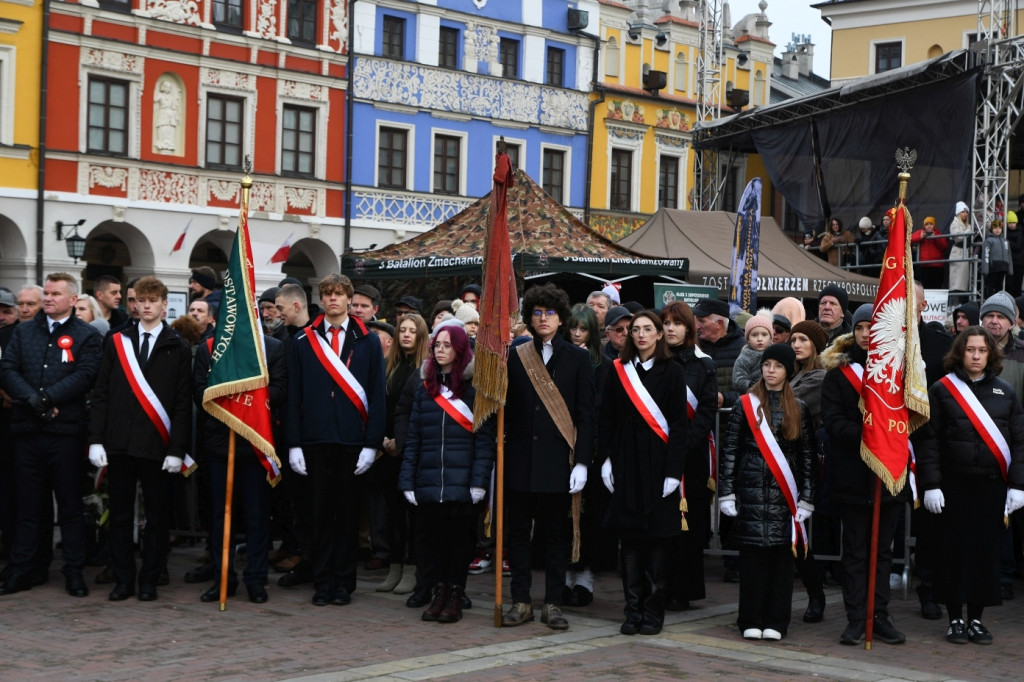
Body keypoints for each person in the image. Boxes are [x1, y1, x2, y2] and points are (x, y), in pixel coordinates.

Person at [88, 276, 192, 602]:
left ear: (164, 305)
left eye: (152, 300)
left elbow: (181, 403)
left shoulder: (178, 346)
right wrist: (95, 440)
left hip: (157, 447)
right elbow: (101, 393)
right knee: (119, 516)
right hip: (119, 443)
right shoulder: (116, 341)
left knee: (157, 519)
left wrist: (177, 449)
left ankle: (150, 578)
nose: (145, 306)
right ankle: (123, 579)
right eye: (139, 300)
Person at [918, 326, 1024, 644]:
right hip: (952, 486)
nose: (976, 355)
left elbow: (1019, 441)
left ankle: (976, 618)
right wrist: (931, 484)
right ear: (960, 353)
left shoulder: (1006, 392)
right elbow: (929, 442)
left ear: (990, 354)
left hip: (991, 487)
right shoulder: (941, 390)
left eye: (982, 350)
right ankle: (954, 619)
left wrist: (1018, 485)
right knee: (951, 553)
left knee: (984, 555)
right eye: (970, 350)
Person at [286, 273, 386, 607]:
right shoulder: (303, 340)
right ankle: (322, 580)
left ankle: (344, 582)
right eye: (327, 294)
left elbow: (376, 394)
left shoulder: (367, 340)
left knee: (346, 516)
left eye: (339, 294)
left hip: (351, 441)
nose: (333, 299)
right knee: (318, 515)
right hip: (314, 440)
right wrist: (294, 443)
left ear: (348, 299)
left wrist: (371, 444)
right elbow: (293, 395)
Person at [0, 273, 102, 598]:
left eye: (55, 293)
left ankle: (74, 572)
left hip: (66, 433)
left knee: (70, 506)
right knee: (29, 506)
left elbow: (86, 374)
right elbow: (8, 369)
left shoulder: (86, 336)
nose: (48, 298)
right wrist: (32, 400)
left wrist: (46, 399)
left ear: (73, 299)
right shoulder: (23, 331)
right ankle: (23, 570)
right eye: (46, 292)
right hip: (27, 432)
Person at [502, 283, 595, 631]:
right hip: (521, 460)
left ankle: (553, 603)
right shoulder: (515, 354)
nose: (543, 318)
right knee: (518, 536)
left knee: (557, 536)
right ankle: (521, 601)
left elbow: (587, 415)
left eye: (550, 312)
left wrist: (583, 462)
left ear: (561, 318)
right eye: (537, 313)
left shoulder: (579, 358)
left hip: (560, 462)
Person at [819, 304, 909, 645]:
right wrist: (870, 432)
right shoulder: (837, 374)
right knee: (856, 551)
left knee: (882, 552)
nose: (867, 334)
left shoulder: (896, 371)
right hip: (853, 475)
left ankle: (880, 615)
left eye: (873, 327)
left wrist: (887, 435)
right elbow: (833, 422)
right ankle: (857, 617)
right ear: (852, 332)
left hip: (888, 475)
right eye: (861, 328)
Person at [399, 320, 495, 624]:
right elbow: (414, 436)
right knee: (433, 542)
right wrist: (408, 480)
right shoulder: (424, 388)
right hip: (429, 480)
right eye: (436, 345)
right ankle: (438, 592)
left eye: (447, 345)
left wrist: (479, 481)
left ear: (460, 349)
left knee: (459, 543)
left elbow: (483, 439)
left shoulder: (473, 390)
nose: (440, 351)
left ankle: (455, 594)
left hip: (462, 483)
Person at [719, 343, 815, 641]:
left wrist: (808, 497)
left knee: (781, 564)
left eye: (778, 366)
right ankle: (749, 617)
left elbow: (807, 456)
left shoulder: (798, 408)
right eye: (767, 364)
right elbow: (731, 449)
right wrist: (726, 492)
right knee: (752, 563)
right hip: (750, 495)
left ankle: (776, 620)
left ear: (788, 371)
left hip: (783, 496)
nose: (770, 371)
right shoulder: (744, 404)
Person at [600, 310, 687, 636]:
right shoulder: (618, 371)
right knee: (631, 543)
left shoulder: (673, 372)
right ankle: (632, 610)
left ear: (660, 335)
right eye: (634, 330)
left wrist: (672, 472)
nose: (640, 335)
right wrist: (606, 459)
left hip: (659, 465)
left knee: (658, 544)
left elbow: (678, 425)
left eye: (647, 329)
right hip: (625, 463)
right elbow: (605, 417)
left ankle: (653, 612)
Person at [193, 320, 286, 604]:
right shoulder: (209, 348)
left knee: (258, 517)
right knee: (222, 517)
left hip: (256, 445)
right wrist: (230, 401)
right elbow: (199, 391)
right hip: (220, 444)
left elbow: (281, 388)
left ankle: (256, 579)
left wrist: (251, 400)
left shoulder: (273, 348)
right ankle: (223, 579)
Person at [661, 301, 717, 611]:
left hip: (692, 457)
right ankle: (661, 584)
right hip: (660, 454)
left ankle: (684, 589)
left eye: (676, 323)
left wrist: (684, 446)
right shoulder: (652, 361)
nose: (670, 328)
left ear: (689, 327)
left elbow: (707, 410)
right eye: (665, 322)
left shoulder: (704, 364)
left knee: (690, 524)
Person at [563, 303, 615, 606]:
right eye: (574, 328)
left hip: (592, 450)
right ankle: (564, 576)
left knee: (589, 517)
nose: (578, 334)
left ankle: (585, 579)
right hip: (562, 448)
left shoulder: (603, 366)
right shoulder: (558, 359)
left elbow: (601, 411)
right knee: (563, 516)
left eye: (584, 329)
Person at [381, 313, 431, 597]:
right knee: (393, 513)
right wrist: (385, 441)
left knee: (414, 515)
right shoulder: (391, 366)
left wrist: (402, 441)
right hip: (388, 450)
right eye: (403, 330)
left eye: (413, 331)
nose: (407, 335)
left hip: (412, 450)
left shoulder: (425, 368)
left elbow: (417, 412)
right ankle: (395, 565)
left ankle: (413, 567)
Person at [787, 319, 831, 625]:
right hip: (781, 460)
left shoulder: (819, 377)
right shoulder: (794, 374)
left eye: (803, 339)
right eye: (793, 340)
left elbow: (788, 406)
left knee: (801, 533)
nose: (797, 345)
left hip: (802, 462)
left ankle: (816, 595)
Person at [693, 297, 745, 408]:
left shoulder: (744, 349)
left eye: (701, 321)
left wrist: (725, 399)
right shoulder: (692, 346)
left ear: (719, 324)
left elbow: (754, 392)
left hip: (731, 422)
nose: (697, 326)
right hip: (699, 422)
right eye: (696, 320)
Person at [732, 312, 773, 393]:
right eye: (754, 335)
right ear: (748, 339)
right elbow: (738, 381)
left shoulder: (775, 354)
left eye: (764, 335)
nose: (759, 339)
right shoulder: (744, 357)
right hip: (750, 399)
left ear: (770, 337)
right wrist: (753, 385)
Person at [911, 216, 950, 291]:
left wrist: (934, 237)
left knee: (937, 288)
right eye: (927, 224)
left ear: (934, 225)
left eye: (931, 224)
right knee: (925, 288)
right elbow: (908, 239)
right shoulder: (920, 233)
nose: (929, 226)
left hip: (937, 266)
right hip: (924, 266)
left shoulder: (938, 233)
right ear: (924, 226)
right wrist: (919, 237)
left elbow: (944, 246)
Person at [982, 219, 1013, 298]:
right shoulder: (989, 241)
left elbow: (1009, 255)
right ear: (992, 229)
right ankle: (989, 301)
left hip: (1003, 267)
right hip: (993, 267)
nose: (997, 230)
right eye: (995, 228)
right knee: (991, 286)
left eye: (999, 228)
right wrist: (985, 269)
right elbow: (985, 254)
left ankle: (998, 302)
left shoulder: (1005, 241)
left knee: (1000, 287)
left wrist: (1010, 269)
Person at [948, 201, 973, 292]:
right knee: (956, 282)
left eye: (966, 212)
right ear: (958, 213)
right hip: (957, 253)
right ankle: (954, 302)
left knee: (963, 282)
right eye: (963, 212)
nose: (965, 214)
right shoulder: (954, 224)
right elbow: (957, 237)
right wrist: (967, 233)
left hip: (966, 253)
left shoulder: (968, 225)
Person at [1006, 211, 1024, 297]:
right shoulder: (1005, 233)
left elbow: (1018, 246)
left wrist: (1007, 242)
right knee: (1009, 286)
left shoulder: (1020, 232)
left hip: (1018, 263)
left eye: (1013, 222)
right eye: (1010, 223)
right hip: (1009, 263)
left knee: (1017, 286)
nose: (1012, 224)